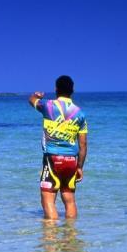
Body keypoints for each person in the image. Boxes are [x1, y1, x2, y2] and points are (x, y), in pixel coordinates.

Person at [29, 75, 88, 219]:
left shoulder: (48, 106)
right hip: (71, 161)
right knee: (70, 200)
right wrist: (79, 166)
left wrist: (36, 95)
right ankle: (71, 235)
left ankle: (51, 236)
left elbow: (32, 101)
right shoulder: (80, 113)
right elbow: (83, 145)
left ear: (56, 89)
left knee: (48, 200)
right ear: (72, 90)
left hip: (52, 159)